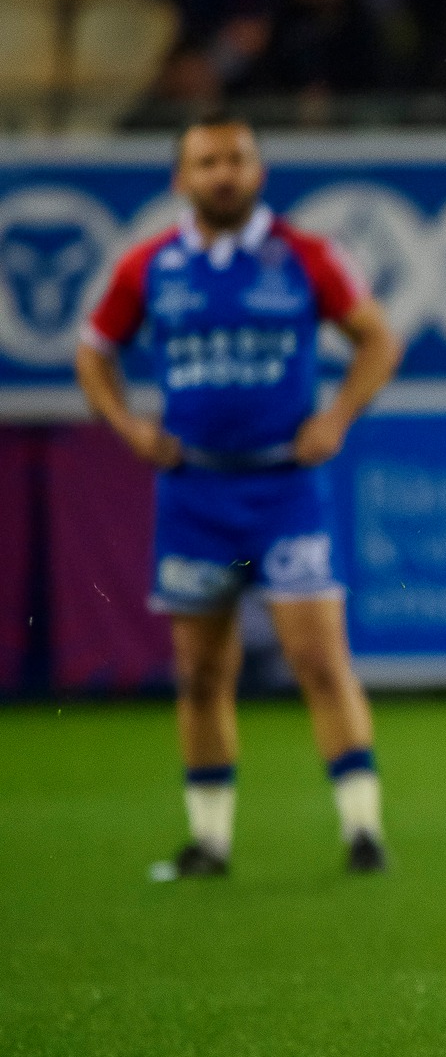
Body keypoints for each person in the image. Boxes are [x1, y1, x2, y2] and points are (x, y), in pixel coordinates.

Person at [74, 114, 401, 879]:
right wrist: (127, 426)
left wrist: (337, 416)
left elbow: (377, 338)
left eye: (236, 158)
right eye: (207, 160)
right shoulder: (151, 267)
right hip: (195, 493)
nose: (223, 172)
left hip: (286, 487)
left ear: (258, 171)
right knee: (199, 672)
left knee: (319, 659)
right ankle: (209, 841)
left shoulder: (304, 257)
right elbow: (93, 351)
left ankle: (363, 831)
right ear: (181, 178)